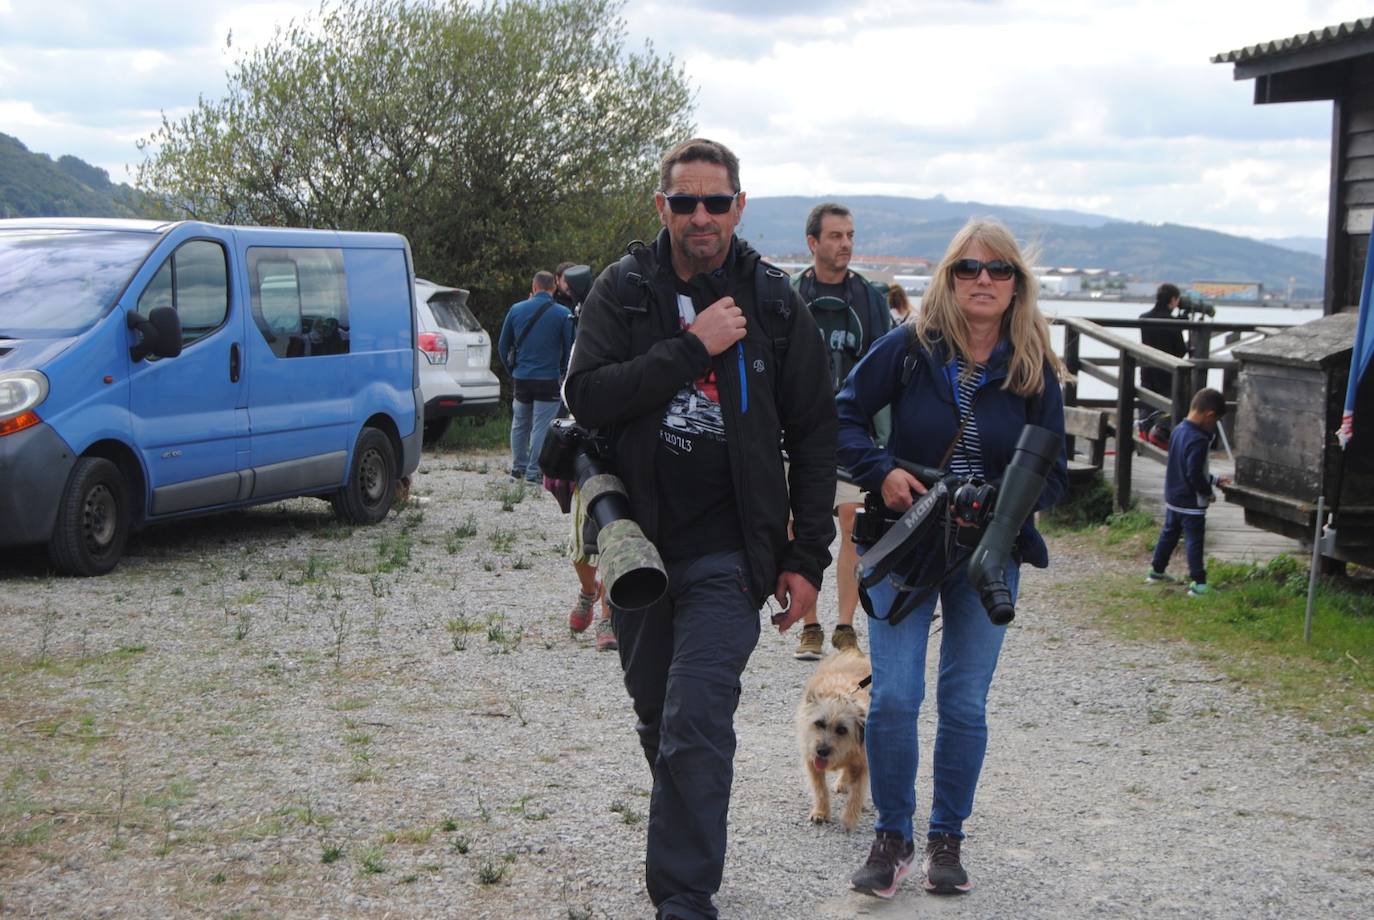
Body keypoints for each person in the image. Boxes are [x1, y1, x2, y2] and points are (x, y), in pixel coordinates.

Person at [564, 137, 837, 920]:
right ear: (663, 208)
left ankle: (684, 897)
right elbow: (588, 396)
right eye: (685, 202)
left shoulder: (776, 303)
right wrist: (694, 348)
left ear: (739, 206)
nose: (702, 216)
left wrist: (804, 555)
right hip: (638, 547)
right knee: (658, 715)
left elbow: (815, 434)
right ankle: (686, 829)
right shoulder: (624, 291)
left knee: (695, 715)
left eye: (717, 201)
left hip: (730, 554)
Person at [836, 218, 1067, 900]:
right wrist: (880, 472)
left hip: (989, 551)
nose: (984, 281)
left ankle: (947, 840)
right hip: (909, 537)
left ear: (1018, 283)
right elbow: (843, 415)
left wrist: (1004, 504)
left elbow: (1052, 470)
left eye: (1000, 271)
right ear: (949, 276)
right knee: (897, 698)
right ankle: (892, 835)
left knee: (964, 702)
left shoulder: (1031, 367)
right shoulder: (909, 348)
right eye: (969, 269)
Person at [791, 202, 892, 661]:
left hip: (852, 431)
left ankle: (845, 625)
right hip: (796, 431)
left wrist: (886, 436)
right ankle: (808, 624)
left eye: (850, 235)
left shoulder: (870, 300)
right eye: (835, 236)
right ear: (813, 243)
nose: (845, 244)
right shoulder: (790, 296)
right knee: (800, 526)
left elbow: (888, 368)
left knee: (853, 518)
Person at [1146, 387, 1230, 596]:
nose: (1213, 426)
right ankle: (1199, 583)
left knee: (1169, 534)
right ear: (1209, 415)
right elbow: (1194, 473)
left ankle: (1156, 571)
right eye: (1215, 421)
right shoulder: (1200, 440)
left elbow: (1185, 467)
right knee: (1194, 540)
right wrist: (1207, 491)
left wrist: (1216, 479)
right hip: (1191, 502)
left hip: (1173, 495)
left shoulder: (1179, 430)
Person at [497, 271, 573, 483]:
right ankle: (533, 473)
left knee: (519, 424)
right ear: (554, 288)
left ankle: (517, 469)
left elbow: (503, 346)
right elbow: (569, 348)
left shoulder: (516, 309)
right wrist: (562, 374)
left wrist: (512, 369)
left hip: (521, 377)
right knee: (541, 426)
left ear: (534, 286)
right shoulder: (562, 313)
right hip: (548, 379)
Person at [1137, 283, 1186, 444]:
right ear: (1173, 300)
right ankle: (1160, 437)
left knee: (1146, 406)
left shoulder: (1144, 318)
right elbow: (1180, 350)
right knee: (1168, 408)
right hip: (1167, 373)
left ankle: (1143, 437)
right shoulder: (1172, 322)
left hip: (1147, 371)